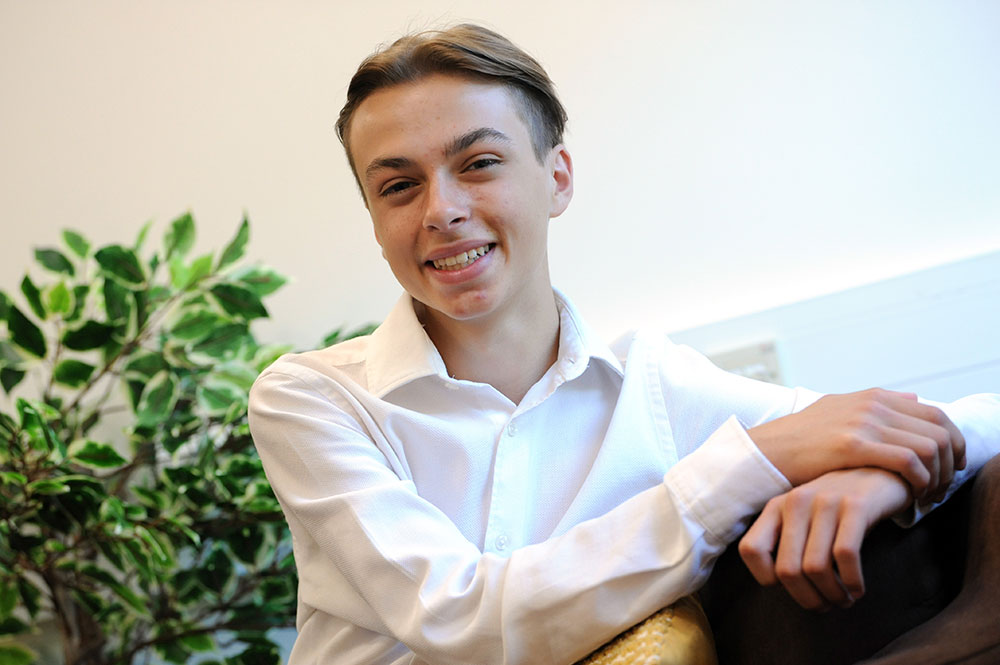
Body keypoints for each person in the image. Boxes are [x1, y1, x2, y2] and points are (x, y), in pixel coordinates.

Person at [247, 23, 1000, 664]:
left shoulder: (651, 385)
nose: (441, 210)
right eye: (398, 186)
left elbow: (977, 419)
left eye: (478, 164)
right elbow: (460, 620)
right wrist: (754, 462)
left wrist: (886, 478)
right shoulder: (311, 397)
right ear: (376, 219)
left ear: (558, 178)